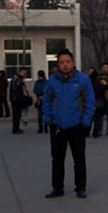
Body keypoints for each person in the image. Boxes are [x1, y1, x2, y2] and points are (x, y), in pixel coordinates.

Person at [42, 49, 95, 199]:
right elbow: (46, 100)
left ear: (73, 63)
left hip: (76, 125)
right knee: (57, 159)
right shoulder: (53, 80)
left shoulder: (82, 80)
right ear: (58, 64)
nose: (65, 65)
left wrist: (85, 121)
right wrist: (48, 118)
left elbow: (90, 102)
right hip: (58, 125)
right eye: (61, 62)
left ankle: (80, 187)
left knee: (79, 158)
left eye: (68, 62)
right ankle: (57, 188)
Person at [10, 67, 31, 134]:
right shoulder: (16, 78)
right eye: (24, 73)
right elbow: (14, 87)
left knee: (18, 114)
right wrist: (21, 83)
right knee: (16, 114)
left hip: (18, 98)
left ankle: (17, 128)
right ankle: (15, 129)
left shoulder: (19, 78)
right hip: (15, 98)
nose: (25, 74)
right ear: (20, 72)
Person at [33, 70, 48, 134]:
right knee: (39, 114)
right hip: (39, 98)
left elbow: (48, 90)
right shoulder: (37, 82)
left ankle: (46, 127)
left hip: (45, 99)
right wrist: (38, 92)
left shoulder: (47, 82)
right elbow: (34, 90)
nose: (39, 78)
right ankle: (40, 128)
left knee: (45, 114)